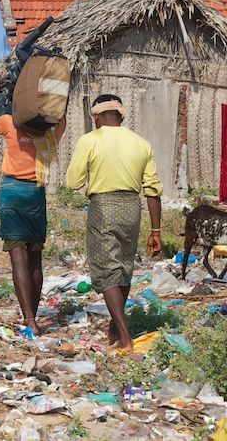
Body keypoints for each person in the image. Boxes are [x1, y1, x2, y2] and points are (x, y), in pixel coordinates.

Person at [65, 94, 162, 352]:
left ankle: (125, 337)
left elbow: (73, 182)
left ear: (96, 116)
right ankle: (116, 330)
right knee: (123, 267)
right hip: (132, 208)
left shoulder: (89, 140)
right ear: (121, 116)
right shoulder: (142, 144)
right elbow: (152, 190)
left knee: (107, 271)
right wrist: (156, 231)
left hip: (104, 208)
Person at [0, 79, 65, 335]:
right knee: (35, 259)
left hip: (12, 193)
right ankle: (33, 317)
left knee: (19, 258)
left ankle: (29, 321)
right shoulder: (47, 129)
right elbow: (61, 116)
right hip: (36, 194)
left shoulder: (9, 123)